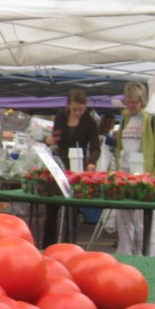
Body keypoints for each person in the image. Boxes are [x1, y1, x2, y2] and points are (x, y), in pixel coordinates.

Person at [112, 81, 155, 255]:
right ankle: (126, 254)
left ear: (142, 100)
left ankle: (147, 256)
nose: (130, 105)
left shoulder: (153, 121)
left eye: (134, 102)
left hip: (145, 178)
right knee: (123, 220)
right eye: (127, 102)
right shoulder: (125, 119)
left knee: (145, 222)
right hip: (125, 175)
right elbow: (121, 147)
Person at [41, 89, 101, 247]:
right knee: (51, 210)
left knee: (72, 212)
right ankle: (47, 246)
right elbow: (54, 137)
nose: (78, 113)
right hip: (59, 166)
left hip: (77, 169)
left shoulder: (90, 122)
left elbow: (95, 148)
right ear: (68, 106)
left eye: (81, 109)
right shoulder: (60, 117)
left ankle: (70, 246)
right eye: (75, 109)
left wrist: (92, 162)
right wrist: (50, 140)